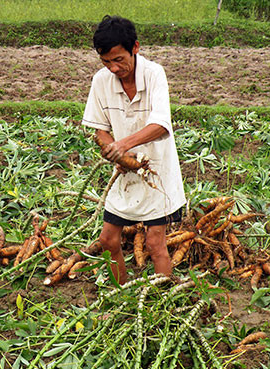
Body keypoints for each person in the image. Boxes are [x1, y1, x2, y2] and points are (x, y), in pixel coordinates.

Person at [82, 15, 186, 284]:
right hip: (125, 174)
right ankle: (123, 294)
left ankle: (163, 301)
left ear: (135, 48)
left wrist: (122, 145)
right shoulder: (101, 81)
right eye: (106, 62)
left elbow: (161, 126)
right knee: (107, 240)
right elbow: (100, 129)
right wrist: (114, 152)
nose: (114, 68)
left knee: (154, 244)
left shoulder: (154, 74)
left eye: (119, 60)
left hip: (157, 173)